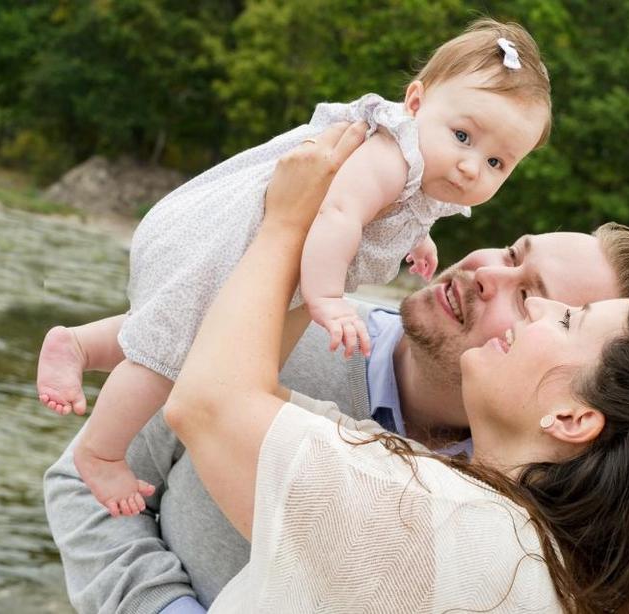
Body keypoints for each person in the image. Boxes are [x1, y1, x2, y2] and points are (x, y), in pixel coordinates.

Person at [162, 123, 629, 613]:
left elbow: (209, 403)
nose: (541, 309)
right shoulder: (559, 570)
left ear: (574, 416)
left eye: (566, 319)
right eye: (515, 256)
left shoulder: (435, 522)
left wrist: (287, 224)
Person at [35, 19, 553, 516]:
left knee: (185, 336)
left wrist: (418, 239)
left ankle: (80, 345)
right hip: (239, 241)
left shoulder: (427, 173)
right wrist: (326, 298)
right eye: (464, 137)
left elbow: (390, 215)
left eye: (497, 163)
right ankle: (101, 453)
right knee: (168, 360)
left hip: (259, 254)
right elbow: (341, 213)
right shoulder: (394, 155)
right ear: (416, 103)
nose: (471, 166)